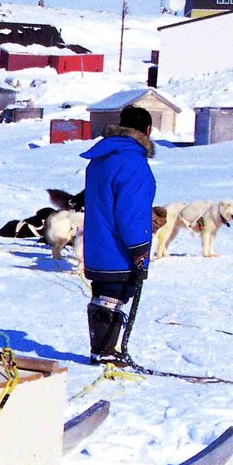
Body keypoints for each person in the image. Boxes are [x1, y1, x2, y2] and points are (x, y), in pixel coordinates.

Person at [80, 106, 156, 365]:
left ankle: (101, 349)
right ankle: (105, 352)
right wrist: (139, 245)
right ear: (147, 131)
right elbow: (130, 211)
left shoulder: (102, 157)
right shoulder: (133, 162)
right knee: (112, 298)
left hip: (98, 243)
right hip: (118, 248)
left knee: (102, 295)